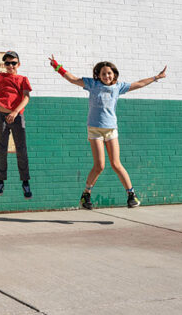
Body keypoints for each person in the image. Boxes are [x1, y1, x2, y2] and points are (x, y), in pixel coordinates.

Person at [49, 55, 167, 209]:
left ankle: (131, 195)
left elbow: (138, 84)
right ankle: (86, 195)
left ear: (114, 74)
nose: (106, 76)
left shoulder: (118, 87)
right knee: (99, 166)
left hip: (111, 130)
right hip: (95, 130)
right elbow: (72, 79)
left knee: (116, 164)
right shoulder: (92, 84)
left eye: (109, 73)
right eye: (103, 73)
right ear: (98, 75)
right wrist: (57, 67)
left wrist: (156, 77)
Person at [0, 51, 33, 199]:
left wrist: (15, 112)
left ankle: (25, 182)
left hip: (17, 117)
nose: (10, 66)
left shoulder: (23, 79)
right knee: (1, 150)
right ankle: (0, 181)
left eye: (13, 63)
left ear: (18, 64)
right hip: (2, 117)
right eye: (7, 63)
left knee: (21, 150)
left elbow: (26, 98)